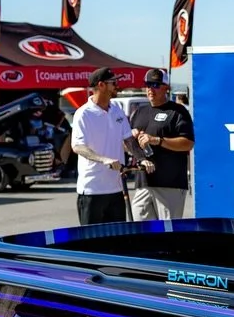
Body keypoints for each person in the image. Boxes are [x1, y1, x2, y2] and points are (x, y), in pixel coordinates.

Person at [70, 67, 143, 225]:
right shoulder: (83, 113)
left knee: (116, 242)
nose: (117, 85)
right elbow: (78, 146)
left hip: (116, 189)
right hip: (91, 190)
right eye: (113, 82)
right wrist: (103, 159)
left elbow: (129, 140)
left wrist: (142, 159)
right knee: (91, 243)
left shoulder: (117, 109)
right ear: (101, 85)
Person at [127, 68, 195, 220]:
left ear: (166, 88)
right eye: (148, 85)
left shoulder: (177, 111)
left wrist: (157, 140)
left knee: (167, 236)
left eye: (156, 85)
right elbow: (128, 146)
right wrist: (131, 139)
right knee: (142, 233)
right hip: (143, 183)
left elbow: (187, 143)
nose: (151, 89)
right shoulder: (139, 112)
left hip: (169, 184)